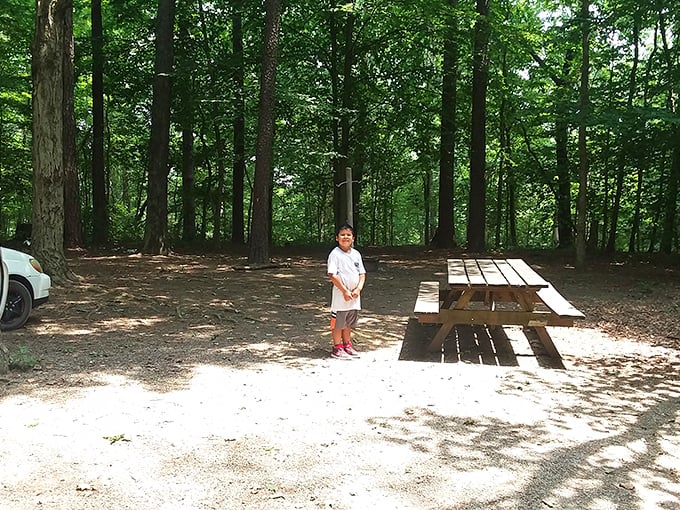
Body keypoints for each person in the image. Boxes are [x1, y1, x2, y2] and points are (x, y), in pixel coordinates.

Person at [327, 223, 366, 359]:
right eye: (342, 235)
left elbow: (362, 273)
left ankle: (347, 344)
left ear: (353, 238)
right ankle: (337, 347)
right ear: (337, 238)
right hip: (341, 295)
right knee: (338, 322)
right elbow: (332, 274)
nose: (345, 237)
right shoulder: (335, 254)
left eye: (348, 235)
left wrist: (358, 289)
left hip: (354, 295)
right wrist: (344, 291)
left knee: (348, 321)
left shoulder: (356, 254)